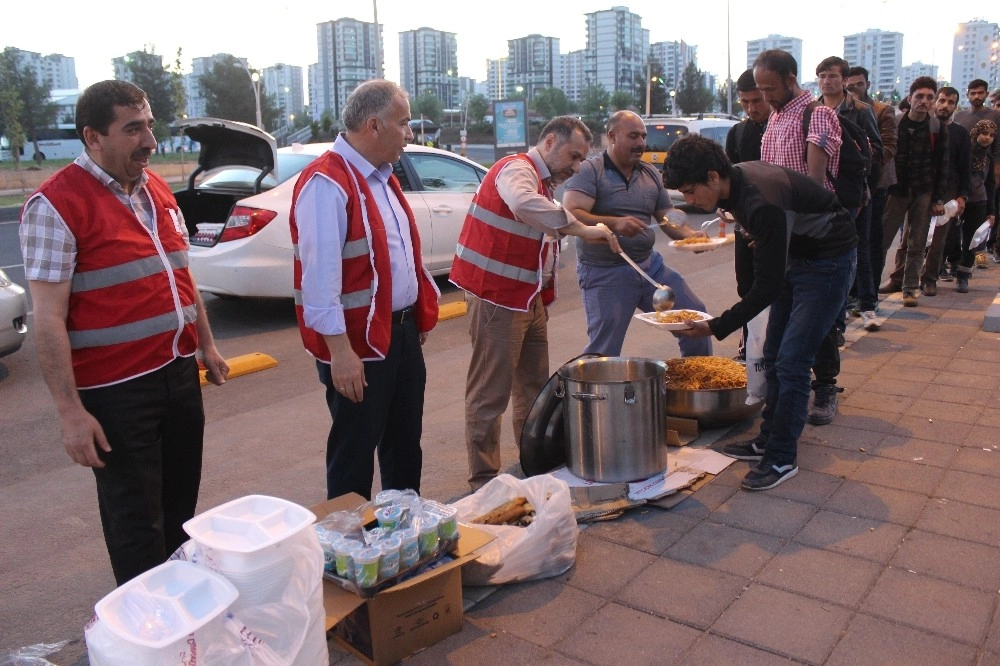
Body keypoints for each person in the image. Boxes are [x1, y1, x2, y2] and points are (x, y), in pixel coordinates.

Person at [19, 80, 230, 585]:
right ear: (93, 136)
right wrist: (71, 414)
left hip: (176, 374)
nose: (150, 142)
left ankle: (182, 615)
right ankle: (147, 633)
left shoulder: (154, 188)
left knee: (180, 509)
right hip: (116, 393)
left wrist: (206, 342)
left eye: (150, 125)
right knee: (137, 523)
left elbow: (180, 274)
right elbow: (47, 317)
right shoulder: (56, 205)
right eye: (133, 129)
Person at [664, 135, 856, 491]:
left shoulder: (759, 200)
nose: (689, 201)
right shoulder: (736, 185)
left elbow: (766, 287)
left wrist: (714, 327)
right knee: (773, 354)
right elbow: (761, 268)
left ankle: (782, 457)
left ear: (712, 177)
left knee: (793, 361)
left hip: (828, 260)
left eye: (690, 192)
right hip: (798, 257)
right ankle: (768, 439)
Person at [289, 80, 441, 501]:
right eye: (404, 123)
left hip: (399, 336)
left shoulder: (381, 177)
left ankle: (404, 537)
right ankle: (349, 549)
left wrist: (415, 316)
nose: (409, 134)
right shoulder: (327, 183)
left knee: (404, 447)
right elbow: (318, 283)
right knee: (354, 456)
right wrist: (340, 354)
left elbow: (400, 257)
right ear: (374, 126)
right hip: (358, 348)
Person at [450, 116, 619, 490]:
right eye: (572, 157)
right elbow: (523, 205)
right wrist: (581, 228)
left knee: (532, 390)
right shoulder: (516, 170)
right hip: (497, 299)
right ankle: (484, 483)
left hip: (527, 300)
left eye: (580, 161)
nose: (575, 168)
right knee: (488, 395)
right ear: (548, 142)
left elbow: (538, 244)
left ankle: (532, 464)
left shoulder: (543, 183)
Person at [562, 110, 711, 357]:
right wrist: (614, 223)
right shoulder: (591, 170)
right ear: (612, 135)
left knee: (694, 318)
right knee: (604, 350)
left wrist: (689, 233)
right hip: (605, 272)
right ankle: (598, 395)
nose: (641, 143)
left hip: (650, 267)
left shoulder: (650, 172)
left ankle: (695, 386)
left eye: (643, 136)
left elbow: (667, 213)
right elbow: (571, 212)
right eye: (633, 136)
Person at [753, 49, 845, 426]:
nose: (765, 96)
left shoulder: (817, 114)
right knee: (780, 344)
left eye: (770, 87)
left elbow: (813, 184)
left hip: (818, 243)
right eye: (759, 89)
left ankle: (824, 388)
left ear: (791, 79)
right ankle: (779, 416)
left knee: (810, 333)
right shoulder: (774, 118)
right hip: (784, 242)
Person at [816, 56, 882, 335]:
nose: (827, 81)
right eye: (822, 76)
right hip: (823, 195)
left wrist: (856, 167)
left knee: (857, 252)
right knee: (828, 257)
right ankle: (834, 319)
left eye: (832, 76)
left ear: (844, 80)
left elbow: (875, 150)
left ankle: (866, 306)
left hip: (854, 194)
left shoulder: (860, 110)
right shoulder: (813, 110)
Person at [877, 77, 949, 307]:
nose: (924, 101)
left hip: (924, 191)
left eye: (930, 97)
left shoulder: (937, 128)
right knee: (882, 242)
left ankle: (909, 289)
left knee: (917, 243)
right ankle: (868, 290)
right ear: (910, 98)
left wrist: (938, 198)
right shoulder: (896, 124)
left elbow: (942, 166)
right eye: (919, 96)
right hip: (896, 190)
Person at [725, 68, 771, 360]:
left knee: (780, 293)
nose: (752, 108)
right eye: (745, 102)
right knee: (747, 289)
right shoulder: (738, 133)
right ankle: (749, 350)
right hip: (745, 227)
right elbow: (730, 185)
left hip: (779, 228)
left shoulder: (783, 128)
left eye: (757, 100)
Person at [846, 66, 899, 298]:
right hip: (846, 187)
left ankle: (869, 296)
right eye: (849, 84)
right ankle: (852, 293)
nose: (853, 88)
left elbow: (887, 147)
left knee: (870, 242)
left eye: (858, 83)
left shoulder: (878, 110)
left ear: (867, 84)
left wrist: (863, 164)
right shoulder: (833, 108)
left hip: (874, 185)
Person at [920, 87, 971, 294]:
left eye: (950, 102)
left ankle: (930, 279)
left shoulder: (960, 133)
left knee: (938, 239)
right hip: (921, 188)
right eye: (942, 100)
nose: (945, 105)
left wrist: (961, 196)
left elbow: (964, 167)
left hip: (948, 190)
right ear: (935, 102)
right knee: (912, 238)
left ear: (955, 106)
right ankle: (903, 279)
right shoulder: (925, 127)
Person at [954, 80, 1000, 264]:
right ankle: (954, 259)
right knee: (954, 225)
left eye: (980, 93)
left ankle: (980, 251)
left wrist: (996, 170)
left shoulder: (995, 116)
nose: (976, 96)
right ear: (967, 94)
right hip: (962, 173)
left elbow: (997, 145)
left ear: (986, 94)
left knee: (986, 212)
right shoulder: (960, 116)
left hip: (986, 173)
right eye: (973, 93)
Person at [955, 119, 997, 292]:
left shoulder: (988, 157)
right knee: (949, 238)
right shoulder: (964, 151)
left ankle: (963, 276)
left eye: (992, 135)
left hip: (979, 201)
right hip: (958, 200)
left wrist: (991, 211)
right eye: (984, 133)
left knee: (971, 242)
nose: (987, 138)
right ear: (976, 132)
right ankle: (947, 264)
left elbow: (990, 184)